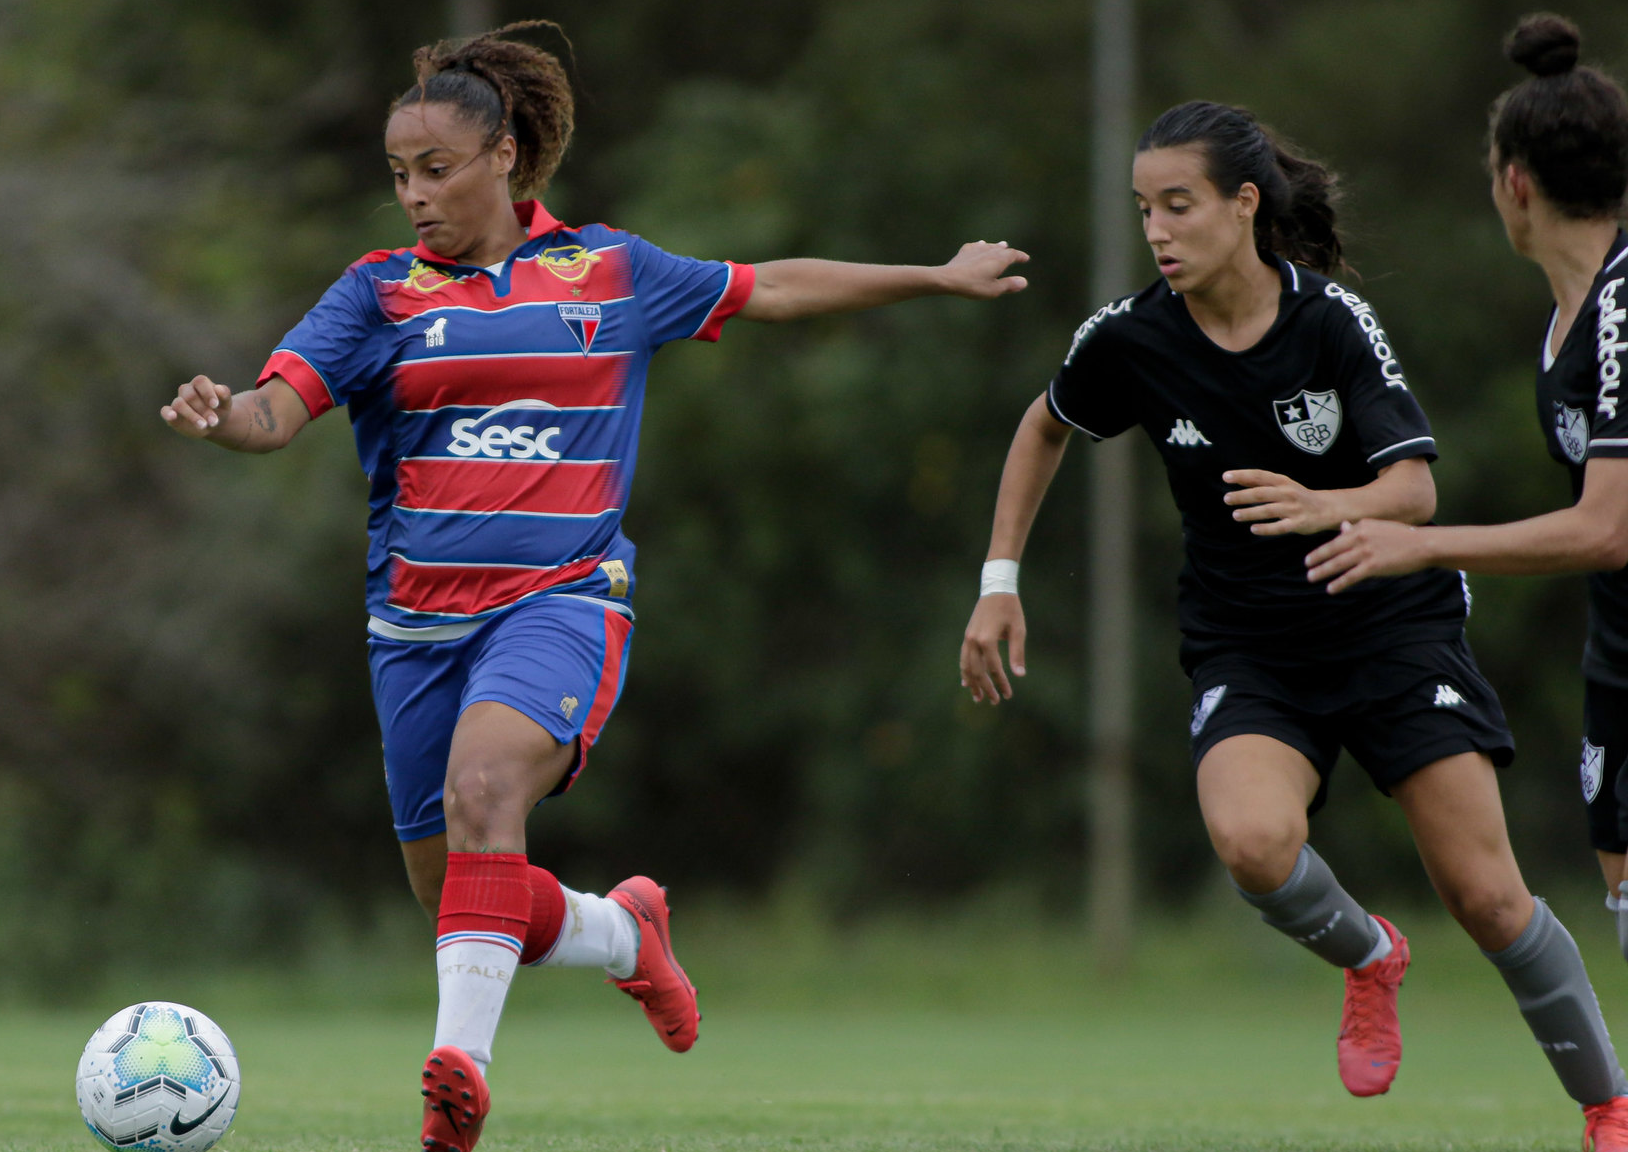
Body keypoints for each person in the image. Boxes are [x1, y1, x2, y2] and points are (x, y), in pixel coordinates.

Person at [159, 22, 1030, 1152]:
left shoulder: (610, 272)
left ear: (504, 157)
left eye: (434, 170)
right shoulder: (378, 295)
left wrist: (933, 276)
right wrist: (221, 416)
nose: (411, 197)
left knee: (486, 796)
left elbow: (772, 288)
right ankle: (625, 936)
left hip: (561, 601)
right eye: (397, 175)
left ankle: (453, 1085)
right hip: (411, 630)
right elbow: (274, 413)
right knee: (460, 897)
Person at [959, 97, 1628, 1146]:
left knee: (1488, 900)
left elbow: (1410, 494)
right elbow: (1042, 426)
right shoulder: (1129, 337)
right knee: (1251, 841)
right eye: (1143, 211)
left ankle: (1608, 1106)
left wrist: (1330, 505)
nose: (1158, 232)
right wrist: (998, 578)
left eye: (1177, 207)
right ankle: (1368, 957)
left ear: (1241, 205)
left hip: (1390, 629)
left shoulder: (1328, 322)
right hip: (1247, 644)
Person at [1308, 9, 1628, 982]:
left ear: (1512, 182)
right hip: (1617, 648)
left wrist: (1420, 545)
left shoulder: (1621, 307)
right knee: (1618, 883)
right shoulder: (1570, 312)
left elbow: (1606, 527)